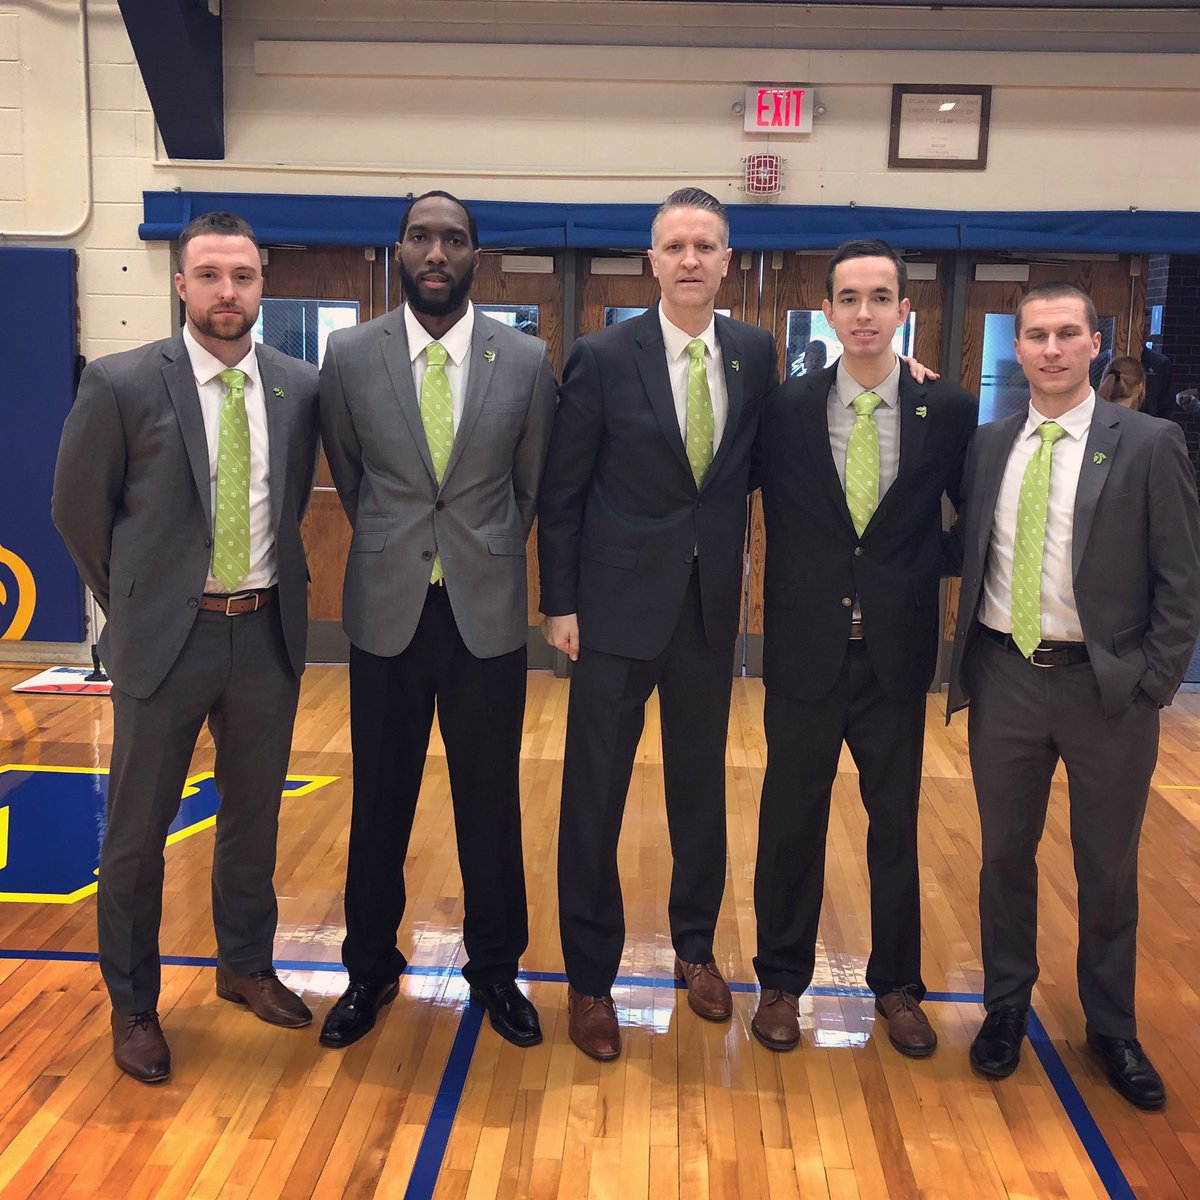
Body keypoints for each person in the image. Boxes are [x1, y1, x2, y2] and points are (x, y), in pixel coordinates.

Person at [52, 211, 320, 1083]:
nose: (226, 292)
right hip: (168, 637)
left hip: (266, 632)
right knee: (135, 835)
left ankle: (243, 964)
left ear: (262, 282)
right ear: (180, 284)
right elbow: (77, 512)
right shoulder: (123, 383)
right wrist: (133, 600)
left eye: (241, 275)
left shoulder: (298, 385)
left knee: (254, 817)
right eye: (209, 274)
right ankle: (133, 1005)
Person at [947, 282, 1200, 1110]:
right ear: (1016, 348)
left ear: (1096, 344)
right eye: (1035, 336)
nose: (1050, 349)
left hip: (1108, 689)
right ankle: (1005, 1005)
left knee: (1108, 868)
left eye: (1067, 334)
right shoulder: (988, 445)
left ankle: (1113, 1027)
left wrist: (1154, 682)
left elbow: (1180, 579)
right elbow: (962, 546)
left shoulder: (1149, 442)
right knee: (1003, 858)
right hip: (1007, 676)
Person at [538, 187, 778, 1060]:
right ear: (652, 262)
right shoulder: (604, 357)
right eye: (673, 245)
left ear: (725, 262)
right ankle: (591, 980)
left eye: (704, 245)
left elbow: (769, 460)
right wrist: (559, 602)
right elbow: (563, 492)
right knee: (593, 796)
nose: (688, 259)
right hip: (610, 610)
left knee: (699, 791)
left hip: (709, 609)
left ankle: (695, 951)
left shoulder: (756, 354)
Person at [318, 191, 556, 1051]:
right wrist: (401, 544)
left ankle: (495, 969)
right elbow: (353, 477)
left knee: (489, 801)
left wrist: (482, 550)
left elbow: (529, 487)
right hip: (387, 610)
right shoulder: (348, 356)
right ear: (399, 249)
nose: (436, 251)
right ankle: (369, 968)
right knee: (380, 798)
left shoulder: (525, 360)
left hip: (483, 613)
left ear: (474, 258)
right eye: (421, 235)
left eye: (453, 239)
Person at [751, 240, 977, 1055]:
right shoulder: (784, 407)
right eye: (849, 298)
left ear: (904, 310)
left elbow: (975, 523)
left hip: (894, 657)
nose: (865, 313)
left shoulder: (944, 409)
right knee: (790, 825)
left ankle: (897, 988)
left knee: (895, 828)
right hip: (806, 654)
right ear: (828, 309)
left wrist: (914, 570)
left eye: (881, 297)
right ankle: (779, 981)